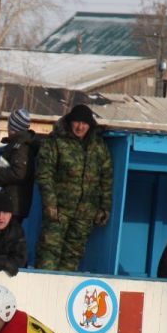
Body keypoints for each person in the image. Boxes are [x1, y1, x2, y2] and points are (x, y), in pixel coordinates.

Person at [35, 103, 112, 272]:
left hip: (85, 214)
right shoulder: (56, 142)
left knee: (72, 257)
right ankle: (44, 286)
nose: (80, 127)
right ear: (70, 122)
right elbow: (45, 174)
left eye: (84, 123)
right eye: (77, 122)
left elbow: (106, 178)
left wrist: (104, 207)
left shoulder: (99, 146)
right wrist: (50, 204)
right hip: (59, 211)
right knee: (48, 254)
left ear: (90, 125)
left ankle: (63, 288)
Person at [0, 108, 41, 221]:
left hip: (11, 206)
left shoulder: (21, 147)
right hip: (9, 203)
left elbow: (19, 173)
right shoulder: (15, 144)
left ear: (12, 127)